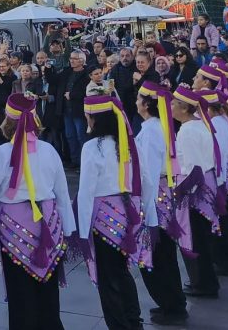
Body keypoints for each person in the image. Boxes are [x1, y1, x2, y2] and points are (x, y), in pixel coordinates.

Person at [0, 94, 76, 330]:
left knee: (20, 292)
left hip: (14, 229)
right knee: (48, 290)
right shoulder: (49, 150)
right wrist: (69, 230)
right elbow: (62, 194)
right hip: (49, 226)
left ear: (7, 123)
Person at [77, 95, 151, 330]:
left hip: (103, 218)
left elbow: (86, 191)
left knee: (108, 278)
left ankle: (119, 325)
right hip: (128, 214)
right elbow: (146, 180)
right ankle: (133, 319)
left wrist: (81, 230)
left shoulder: (91, 147)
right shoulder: (129, 143)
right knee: (122, 270)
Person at [134, 83, 193, 326]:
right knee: (166, 253)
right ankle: (173, 301)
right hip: (165, 194)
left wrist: (142, 209)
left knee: (157, 255)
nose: (135, 102)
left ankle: (170, 303)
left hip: (154, 197)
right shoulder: (161, 127)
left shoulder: (149, 132)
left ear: (147, 104)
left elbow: (147, 173)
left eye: (139, 98)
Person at [171, 87, 222, 299]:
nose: (170, 107)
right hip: (206, 185)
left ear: (184, 108)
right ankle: (206, 280)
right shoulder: (198, 125)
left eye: (174, 104)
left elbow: (192, 168)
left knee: (196, 237)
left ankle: (204, 283)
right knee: (202, 236)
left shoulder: (187, 131)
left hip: (195, 191)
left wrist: (181, 193)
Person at [199, 90, 228, 278]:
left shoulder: (216, 124)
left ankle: (227, 263)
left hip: (220, 177)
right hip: (223, 176)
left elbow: (219, 154)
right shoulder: (223, 120)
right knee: (222, 222)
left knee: (220, 224)